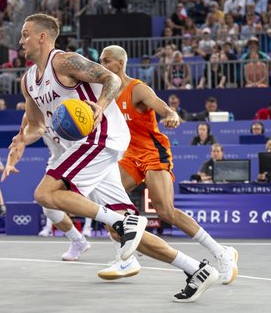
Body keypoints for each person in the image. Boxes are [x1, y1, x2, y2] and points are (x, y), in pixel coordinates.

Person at [5, 14, 218, 302]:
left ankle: (122, 223)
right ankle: (195, 269)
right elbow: (36, 124)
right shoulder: (28, 80)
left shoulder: (64, 61)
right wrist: (20, 141)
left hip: (101, 136)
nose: (21, 40)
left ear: (42, 37)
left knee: (45, 193)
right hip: (83, 148)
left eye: (25, 34)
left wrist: (100, 107)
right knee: (122, 231)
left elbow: (112, 78)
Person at [98, 45, 238, 285]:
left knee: (165, 211)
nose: (101, 65)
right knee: (107, 203)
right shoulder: (105, 92)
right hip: (130, 156)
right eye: (100, 60)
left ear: (119, 64)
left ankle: (221, 252)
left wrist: (171, 115)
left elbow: (163, 107)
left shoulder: (138, 89)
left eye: (106, 61)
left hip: (154, 154)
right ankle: (126, 258)